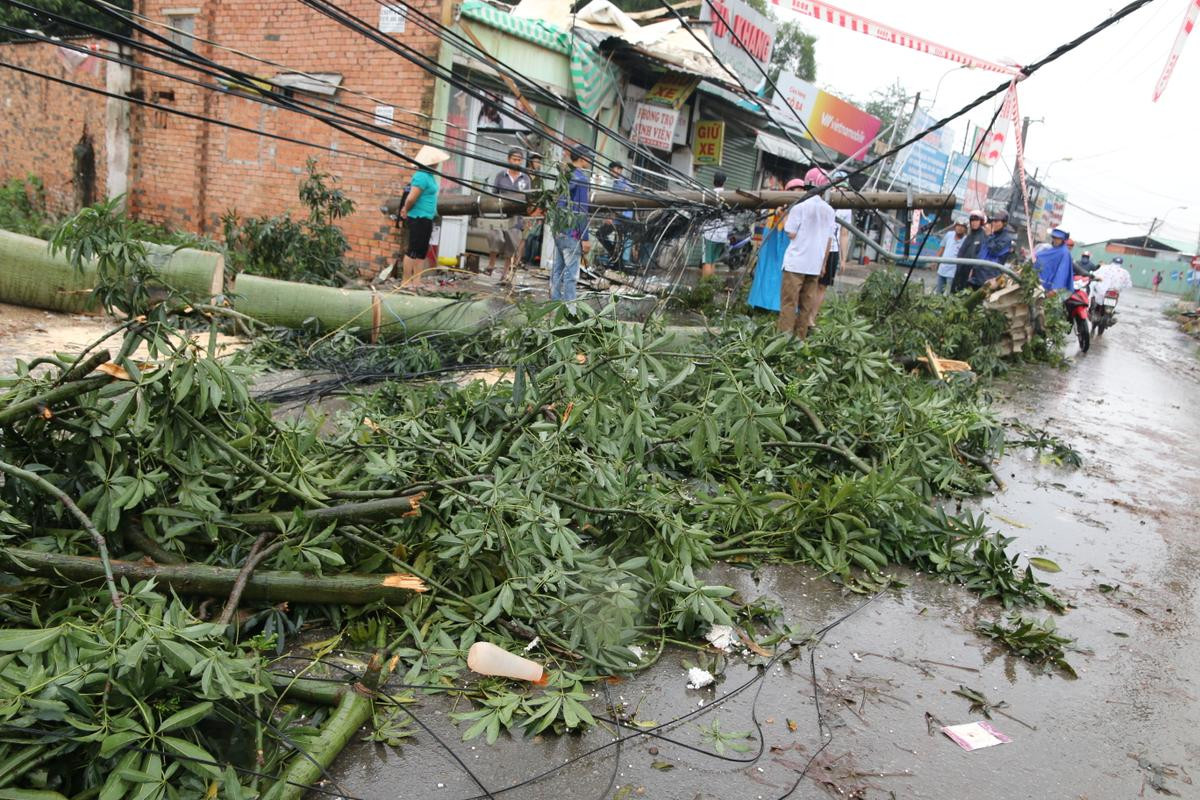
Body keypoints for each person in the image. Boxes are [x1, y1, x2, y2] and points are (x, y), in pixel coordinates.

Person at [778, 168, 835, 340]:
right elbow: (828, 241)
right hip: (814, 265)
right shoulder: (829, 211)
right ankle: (799, 341)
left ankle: (782, 341)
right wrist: (824, 264)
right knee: (806, 306)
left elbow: (791, 233)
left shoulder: (799, 207)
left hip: (796, 263)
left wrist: (785, 216)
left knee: (789, 303)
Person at [401, 145, 448, 287]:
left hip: (427, 217)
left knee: (422, 251)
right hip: (418, 217)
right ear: (430, 162)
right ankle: (405, 281)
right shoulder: (421, 176)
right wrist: (405, 209)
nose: (438, 164)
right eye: (436, 162)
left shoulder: (430, 176)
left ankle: (416, 281)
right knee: (413, 250)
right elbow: (411, 198)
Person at [550, 147, 591, 302]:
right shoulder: (581, 179)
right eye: (589, 158)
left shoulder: (565, 176)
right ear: (582, 158)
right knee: (571, 275)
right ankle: (569, 311)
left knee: (558, 271)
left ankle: (554, 306)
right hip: (573, 233)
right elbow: (582, 210)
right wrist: (585, 238)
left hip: (559, 231)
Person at [490, 148, 532, 283]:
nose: (516, 162)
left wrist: (527, 218)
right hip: (501, 215)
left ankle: (505, 273)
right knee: (495, 237)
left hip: (517, 217)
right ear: (508, 160)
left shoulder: (525, 179)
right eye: (514, 159)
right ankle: (491, 264)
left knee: (511, 245)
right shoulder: (500, 176)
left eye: (519, 160)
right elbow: (494, 194)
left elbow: (529, 200)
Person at [970, 208, 1015, 288]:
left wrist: (989, 236)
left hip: (988, 278)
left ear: (1004, 223)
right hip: (976, 274)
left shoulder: (1006, 239)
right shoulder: (990, 234)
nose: (994, 223)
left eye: (997, 221)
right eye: (993, 221)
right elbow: (980, 253)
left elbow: (994, 251)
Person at [700, 171, 730, 277]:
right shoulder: (729, 196)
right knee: (713, 261)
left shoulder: (707, 195)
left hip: (709, 233)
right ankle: (710, 286)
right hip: (722, 234)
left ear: (713, 181)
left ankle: (704, 287)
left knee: (707, 261)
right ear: (724, 182)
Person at [951, 209, 987, 292]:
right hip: (960, 270)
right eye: (972, 220)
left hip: (971, 274)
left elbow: (981, 255)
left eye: (976, 220)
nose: (974, 222)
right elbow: (961, 251)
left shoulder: (983, 236)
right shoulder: (970, 235)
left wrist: (973, 270)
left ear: (981, 222)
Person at [934, 215, 968, 295]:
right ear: (955, 226)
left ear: (966, 229)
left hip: (953, 273)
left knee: (947, 295)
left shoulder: (966, 240)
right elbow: (942, 248)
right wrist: (935, 261)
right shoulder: (949, 235)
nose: (960, 228)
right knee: (937, 293)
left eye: (963, 226)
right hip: (942, 269)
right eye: (958, 225)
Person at [1035, 228, 1075, 295]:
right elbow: (1039, 257)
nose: (1056, 240)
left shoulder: (1064, 252)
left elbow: (1062, 272)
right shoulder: (1049, 248)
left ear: (1063, 239)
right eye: (1054, 237)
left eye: (1058, 238)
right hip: (1037, 283)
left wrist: (1055, 290)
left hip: (1050, 289)